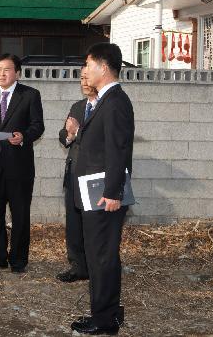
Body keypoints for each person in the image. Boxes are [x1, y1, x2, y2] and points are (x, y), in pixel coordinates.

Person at [70, 43, 134, 335]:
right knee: (101, 255)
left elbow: (117, 151)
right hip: (94, 191)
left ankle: (104, 320)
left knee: (102, 256)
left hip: (103, 194)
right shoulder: (105, 101)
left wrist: (112, 193)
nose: (84, 70)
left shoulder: (116, 102)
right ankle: (109, 311)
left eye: (88, 64)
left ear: (103, 68)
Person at [0, 53, 44, 274]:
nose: (2, 73)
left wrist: (23, 136)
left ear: (17, 73)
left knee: (20, 213)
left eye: (7, 69)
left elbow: (37, 125)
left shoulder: (30, 95)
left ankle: (18, 259)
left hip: (20, 166)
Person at [56, 66, 97, 283]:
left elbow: (98, 139)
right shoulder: (78, 106)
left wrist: (78, 132)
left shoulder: (104, 107)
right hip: (73, 172)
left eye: (86, 77)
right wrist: (70, 134)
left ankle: (94, 267)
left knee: (92, 224)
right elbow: (63, 136)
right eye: (80, 78)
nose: (83, 82)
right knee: (73, 222)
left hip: (94, 175)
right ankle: (77, 266)